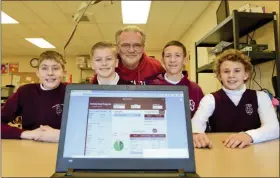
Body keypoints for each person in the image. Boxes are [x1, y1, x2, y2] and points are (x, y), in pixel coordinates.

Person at [192, 49, 279, 149]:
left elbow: (274, 128)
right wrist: (196, 134)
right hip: (222, 151)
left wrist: (249, 136)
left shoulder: (260, 97)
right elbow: (195, 125)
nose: (231, 75)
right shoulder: (210, 99)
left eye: (237, 71)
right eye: (226, 71)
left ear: (246, 74)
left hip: (253, 152)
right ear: (219, 76)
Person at [1, 50, 67, 143]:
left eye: (55, 68)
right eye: (44, 68)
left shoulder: (72, 92)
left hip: (64, 147)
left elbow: (87, 129)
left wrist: (61, 134)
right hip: (30, 146)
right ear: (37, 73)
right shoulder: (25, 92)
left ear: (64, 73)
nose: (50, 73)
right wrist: (27, 134)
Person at [145, 40, 204, 118]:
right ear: (163, 61)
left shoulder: (195, 89)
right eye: (168, 56)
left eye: (177, 55)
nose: (172, 60)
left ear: (185, 60)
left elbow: (201, 120)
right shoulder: (151, 86)